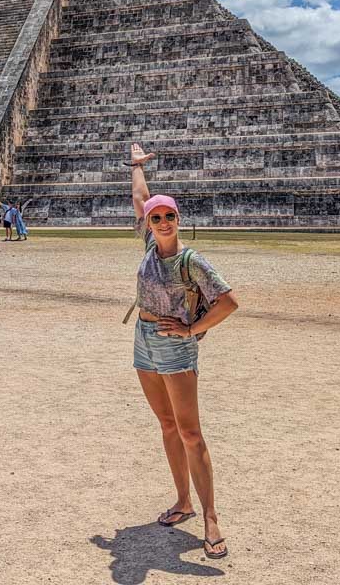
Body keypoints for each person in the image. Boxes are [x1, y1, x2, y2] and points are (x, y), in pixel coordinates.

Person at [127, 142, 238, 560]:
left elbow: (229, 301)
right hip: (144, 340)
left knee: (191, 432)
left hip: (176, 349)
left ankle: (210, 516)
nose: (162, 221)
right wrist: (137, 166)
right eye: (156, 218)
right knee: (168, 426)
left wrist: (193, 329)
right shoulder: (148, 245)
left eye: (169, 216)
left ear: (178, 219)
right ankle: (183, 501)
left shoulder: (192, 260)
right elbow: (141, 197)